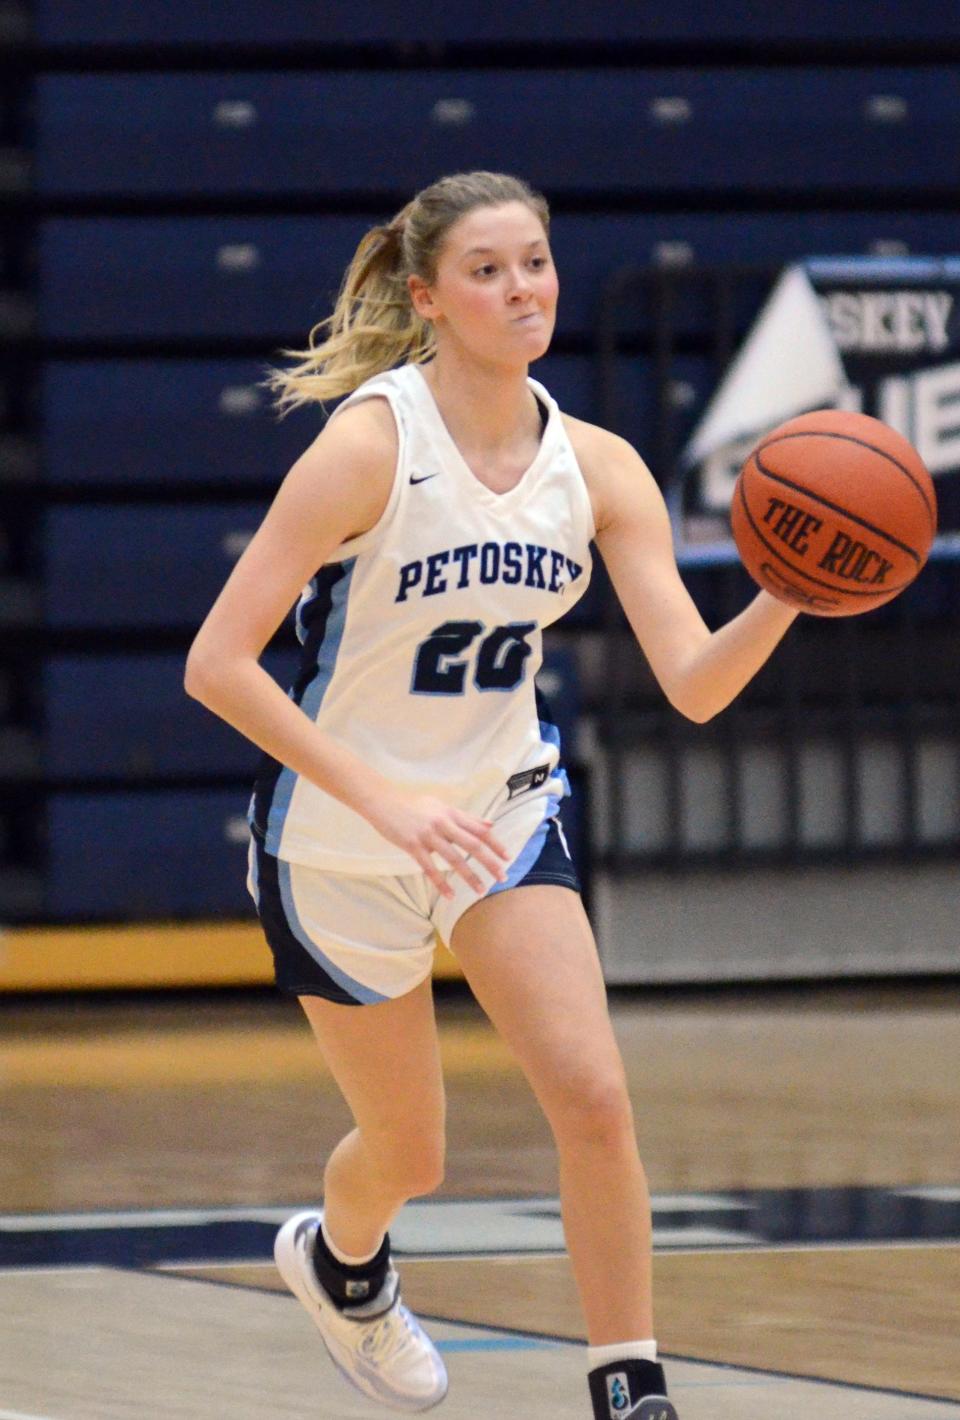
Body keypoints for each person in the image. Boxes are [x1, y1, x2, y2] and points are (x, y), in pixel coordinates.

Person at [184, 170, 797, 1419]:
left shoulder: (599, 466)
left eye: (536, 263)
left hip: (501, 810)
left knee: (594, 1093)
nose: (523, 289)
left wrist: (792, 593)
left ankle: (631, 1386)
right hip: (345, 836)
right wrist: (391, 804)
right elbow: (217, 664)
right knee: (412, 1152)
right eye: (487, 270)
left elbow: (692, 683)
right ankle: (343, 1263)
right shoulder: (369, 445)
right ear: (429, 297)